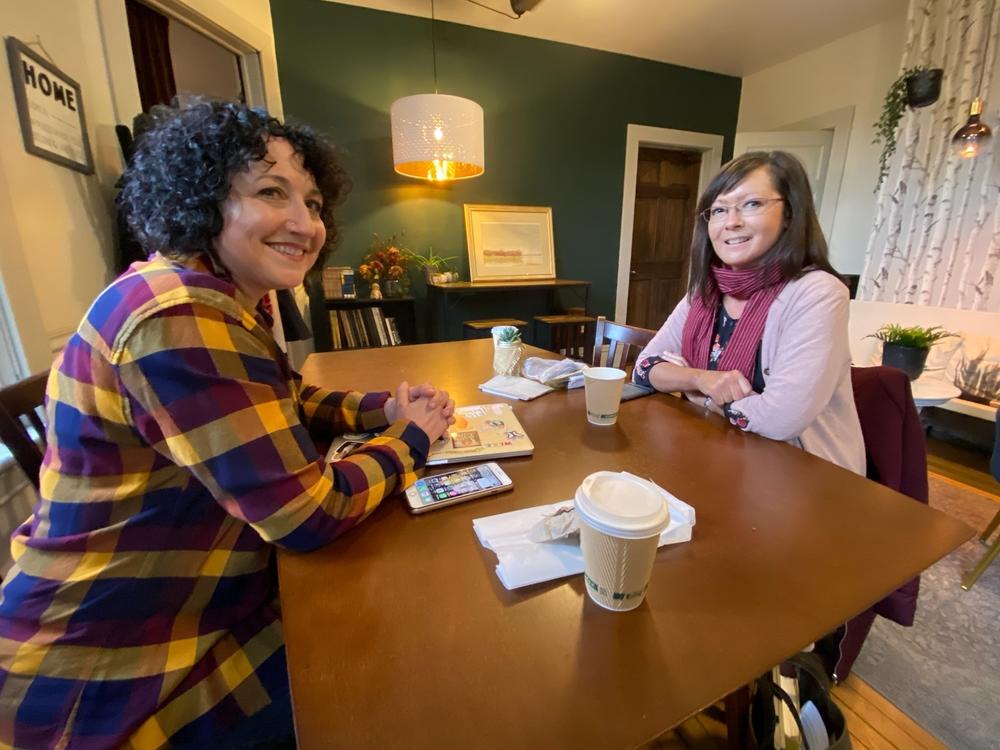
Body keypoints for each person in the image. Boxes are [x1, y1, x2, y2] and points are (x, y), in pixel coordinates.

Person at [0, 100, 454, 749]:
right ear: (203, 199)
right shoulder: (179, 315)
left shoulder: (200, 292)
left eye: (316, 204)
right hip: (111, 669)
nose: (305, 224)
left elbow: (284, 396)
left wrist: (382, 409)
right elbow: (307, 516)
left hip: (187, 603)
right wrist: (411, 439)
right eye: (272, 193)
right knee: (400, 676)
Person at [633, 151, 864, 474]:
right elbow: (643, 369)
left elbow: (779, 420)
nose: (731, 222)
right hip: (716, 453)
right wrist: (702, 378)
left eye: (752, 204)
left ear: (790, 215)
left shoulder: (817, 293)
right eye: (719, 210)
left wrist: (695, 394)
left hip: (803, 475)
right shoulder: (704, 291)